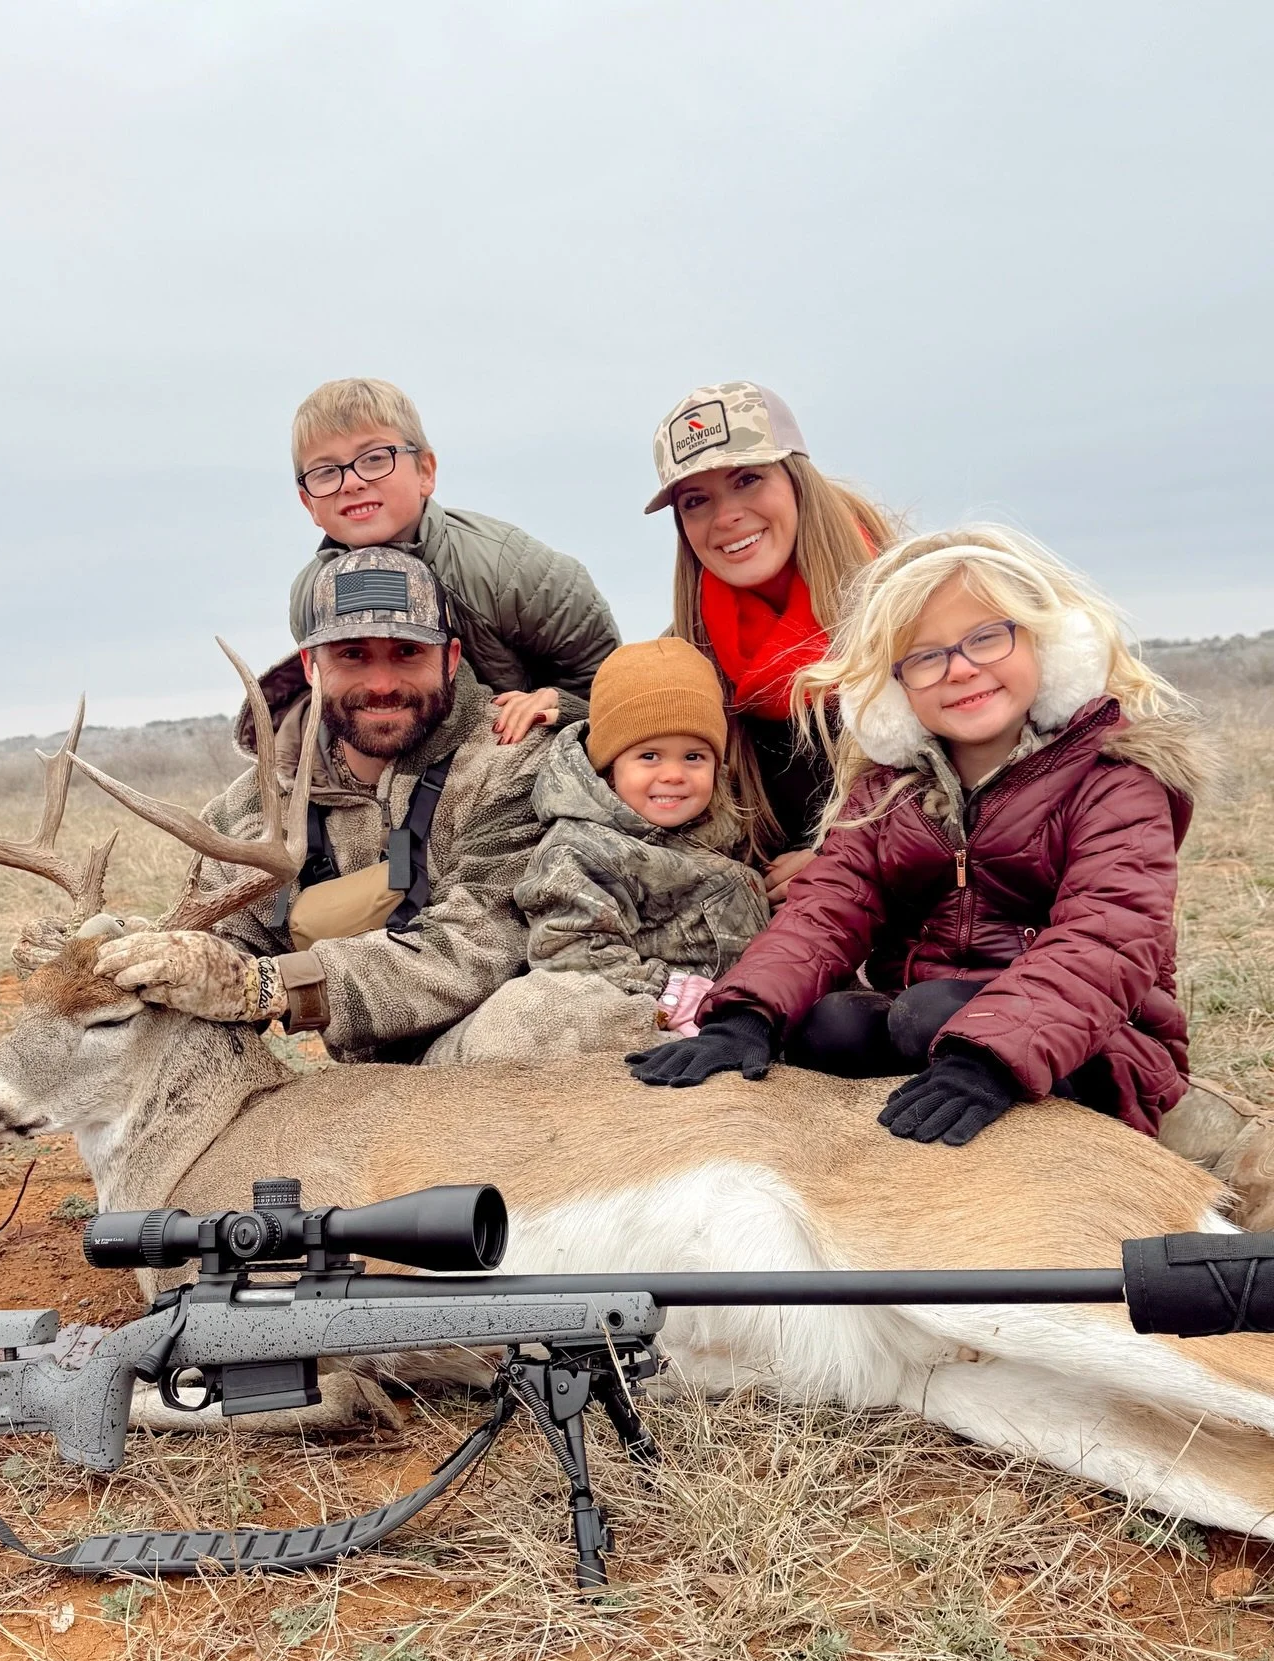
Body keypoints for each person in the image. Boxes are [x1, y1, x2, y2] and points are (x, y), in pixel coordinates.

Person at [630, 526, 1206, 1146]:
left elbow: (1107, 938)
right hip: (932, 1028)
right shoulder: (888, 793)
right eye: (926, 657)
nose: (960, 670)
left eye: (987, 636)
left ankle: (1025, 1117)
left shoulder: (1114, 782)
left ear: (1053, 645)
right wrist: (744, 1016)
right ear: (894, 693)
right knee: (827, 1027)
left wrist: (987, 1057)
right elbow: (825, 908)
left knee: (924, 1013)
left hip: (1094, 1041)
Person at [93, 550, 559, 1063]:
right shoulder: (250, 809)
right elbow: (227, 939)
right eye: (352, 655)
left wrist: (265, 987)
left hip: (502, 1068)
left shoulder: (512, 767)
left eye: (406, 652)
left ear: (449, 660)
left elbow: (482, 944)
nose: (382, 684)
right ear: (311, 667)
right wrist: (136, 954)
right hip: (361, 1094)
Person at [422, 637, 768, 1065]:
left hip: (743, 1012)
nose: (674, 774)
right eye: (650, 756)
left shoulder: (724, 829)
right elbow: (570, 947)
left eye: (694, 756)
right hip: (658, 1019)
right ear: (609, 767)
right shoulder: (581, 850)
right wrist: (669, 993)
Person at [649, 380, 893, 898]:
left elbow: (980, 784)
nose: (726, 516)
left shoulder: (910, 609)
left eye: (748, 479)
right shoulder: (687, 652)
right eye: (696, 500)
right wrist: (559, 708)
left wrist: (847, 857)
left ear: (797, 480)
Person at [288, 377, 619, 745]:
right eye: (326, 471)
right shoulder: (310, 595)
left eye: (375, 458)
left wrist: (563, 705)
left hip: (516, 756)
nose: (351, 483)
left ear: (425, 472)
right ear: (308, 503)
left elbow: (615, 682)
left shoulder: (507, 568)